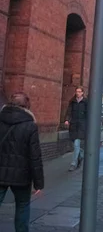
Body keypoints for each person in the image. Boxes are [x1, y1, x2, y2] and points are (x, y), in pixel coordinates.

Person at [0, 92, 44, 232]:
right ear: (26, 105)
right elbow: (35, 156)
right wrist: (39, 183)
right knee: (23, 206)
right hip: (22, 175)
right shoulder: (30, 125)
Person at [64, 86, 87, 172]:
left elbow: (88, 113)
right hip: (73, 125)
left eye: (79, 91)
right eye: (77, 91)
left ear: (82, 93)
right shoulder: (72, 101)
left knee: (76, 144)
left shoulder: (85, 102)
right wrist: (67, 119)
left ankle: (73, 163)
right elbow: (69, 111)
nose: (78, 93)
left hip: (81, 125)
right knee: (74, 143)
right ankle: (81, 155)